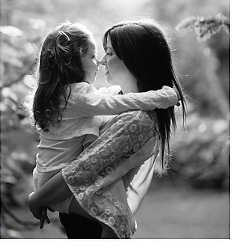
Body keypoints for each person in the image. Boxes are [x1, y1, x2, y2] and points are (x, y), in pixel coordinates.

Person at [28, 20, 186, 238]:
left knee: (120, 223)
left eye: (108, 53)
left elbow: (82, 171)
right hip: (67, 198)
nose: (101, 61)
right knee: (120, 223)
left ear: (134, 59)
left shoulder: (137, 119)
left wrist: (38, 197)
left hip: (73, 205)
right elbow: (109, 101)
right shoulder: (98, 102)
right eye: (96, 55)